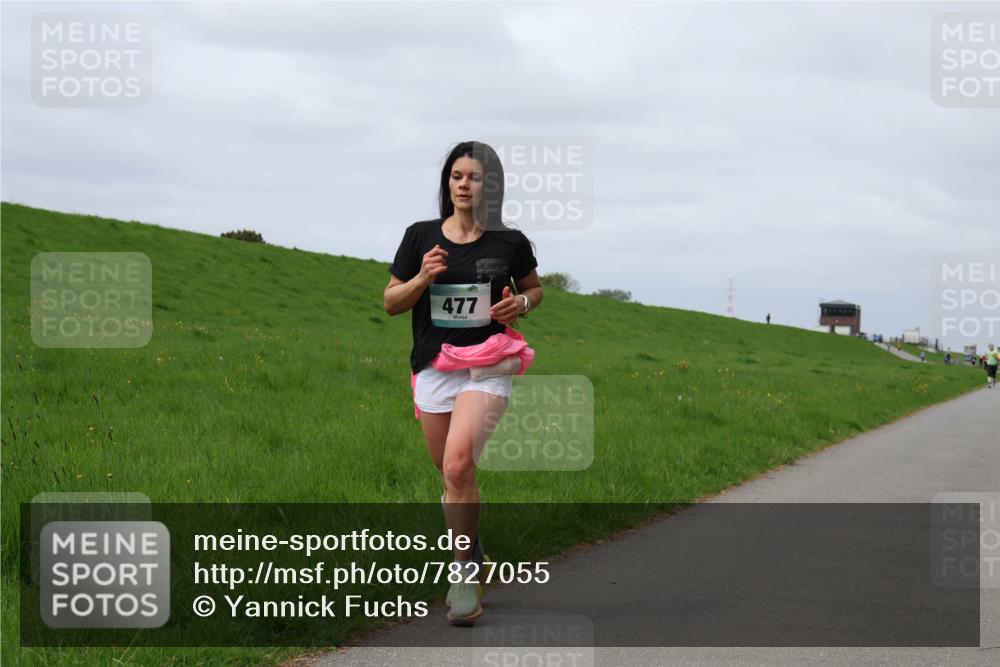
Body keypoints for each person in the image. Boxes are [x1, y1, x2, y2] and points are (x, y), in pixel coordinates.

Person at [383, 141, 542, 626]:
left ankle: (462, 578)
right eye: (456, 176)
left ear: (489, 185)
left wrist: (523, 305)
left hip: (488, 364)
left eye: (473, 177)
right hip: (434, 366)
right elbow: (391, 302)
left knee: (457, 466)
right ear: (447, 183)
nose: (464, 184)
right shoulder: (420, 237)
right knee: (453, 478)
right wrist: (422, 279)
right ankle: (473, 551)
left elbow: (534, 288)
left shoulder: (508, 242)